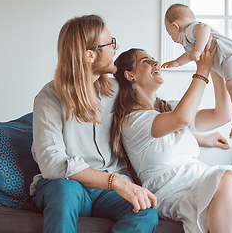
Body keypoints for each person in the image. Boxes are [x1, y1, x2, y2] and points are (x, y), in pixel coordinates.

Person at [110, 43, 232, 233]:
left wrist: (215, 70)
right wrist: (201, 71)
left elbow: (222, 116)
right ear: (130, 75)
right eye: (146, 61)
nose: (155, 62)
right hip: (170, 188)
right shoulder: (132, 120)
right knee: (227, 178)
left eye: (153, 58)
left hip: (198, 177)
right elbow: (182, 119)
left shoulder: (171, 107)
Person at [30, 15, 158, 233]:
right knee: (65, 192)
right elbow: (52, 163)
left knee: (144, 210)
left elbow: (151, 115)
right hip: (67, 185)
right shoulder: (48, 98)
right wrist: (115, 182)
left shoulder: (116, 90)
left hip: (107, 193)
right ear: (90, 55)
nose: (116, 48)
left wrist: (198, 135)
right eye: (111, 43)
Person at [162, 3, 232, 139]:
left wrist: (197, 50)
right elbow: (189, 55)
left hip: (230, 57)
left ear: (175, 26)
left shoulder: (191, 29)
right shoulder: (190, 39)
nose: (172, 39)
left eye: (170, 34)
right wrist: (176, 62)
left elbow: (204, 28)